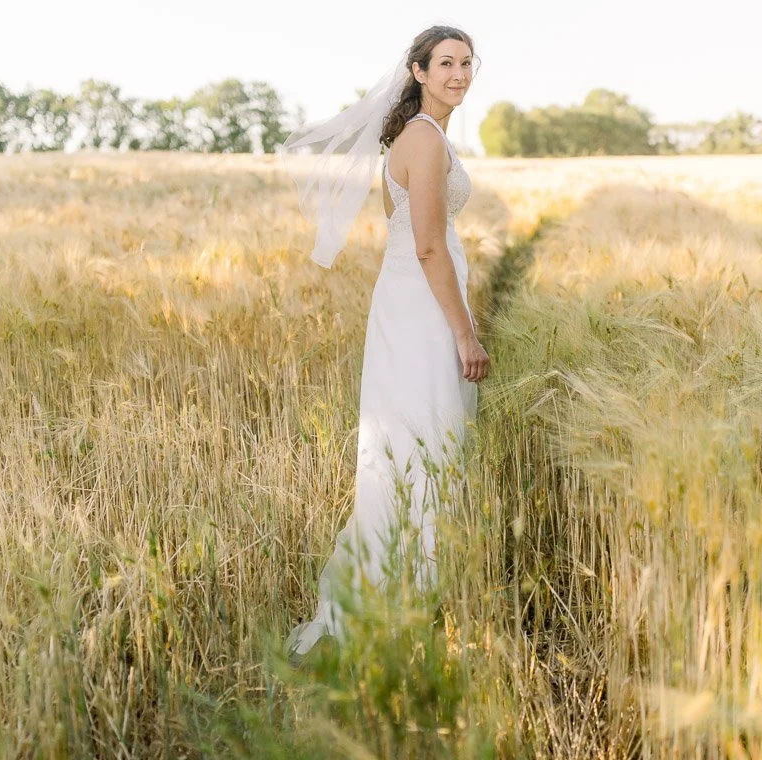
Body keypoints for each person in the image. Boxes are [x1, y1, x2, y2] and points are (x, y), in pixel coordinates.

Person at [277, 26, 488, 667]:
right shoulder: (424, 139)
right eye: (446, 63)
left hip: (409, 303)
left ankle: (397, 604)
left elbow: (407, 234)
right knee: (426, 444)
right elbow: (425, 245)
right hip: (424, 312)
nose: (459, 73)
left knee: (406, 446)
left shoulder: (420, 137)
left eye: (466, 63)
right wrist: (464, 333)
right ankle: (405, 607)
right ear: (419, 72)